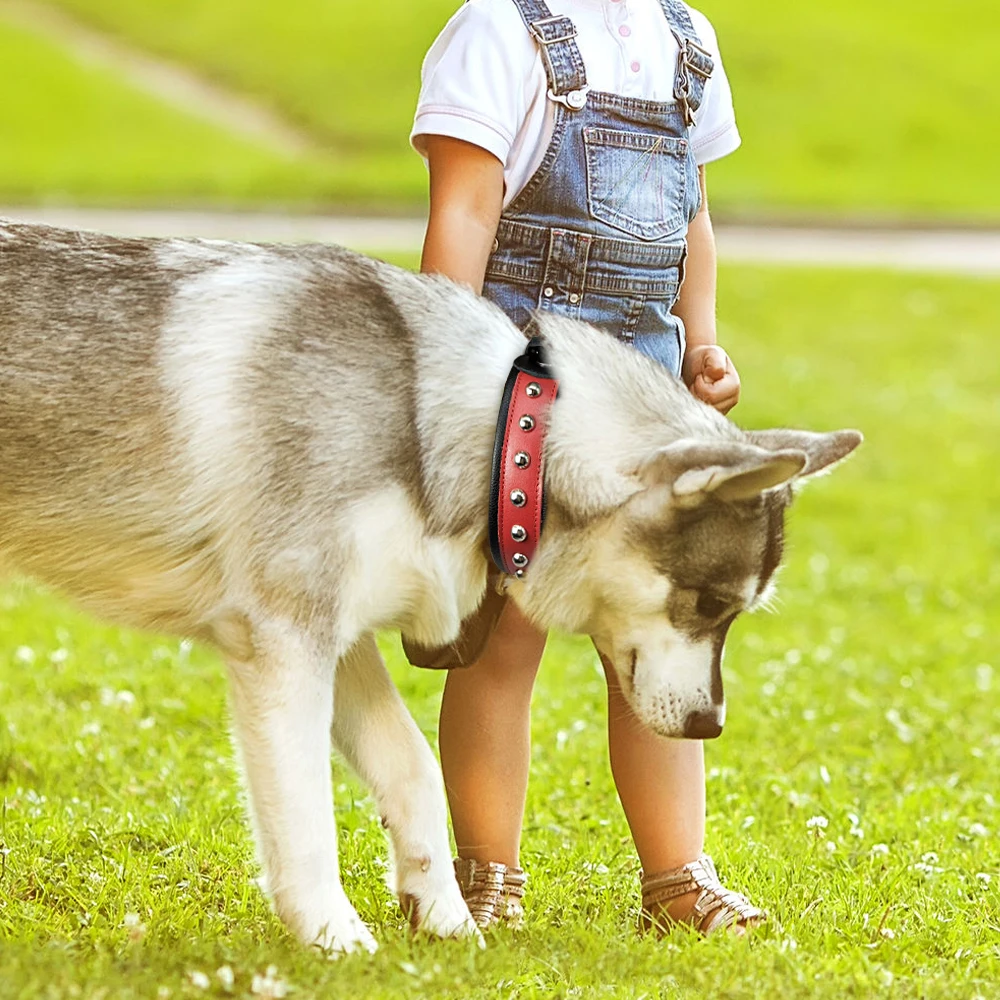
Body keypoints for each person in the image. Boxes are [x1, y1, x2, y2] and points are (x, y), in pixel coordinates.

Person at [409, 0, 764, 934]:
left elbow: (692, 216)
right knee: (504, 641)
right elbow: (464, 212)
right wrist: (455, 377)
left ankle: (678, 880)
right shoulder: (500, 29)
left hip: (645, 404)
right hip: (523, 396)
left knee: (656, 635)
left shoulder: (685, 38)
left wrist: (702, 344)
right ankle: (488, 876)